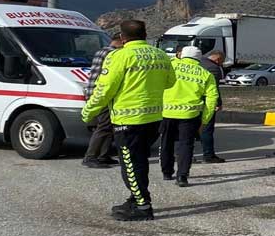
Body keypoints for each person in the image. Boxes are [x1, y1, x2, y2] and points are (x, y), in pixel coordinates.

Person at [81, 20, 175, 221]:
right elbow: (170, 82)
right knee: (139, 161)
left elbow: (105, 89)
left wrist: (88, 112)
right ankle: (137, 198)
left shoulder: (119, 56)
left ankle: (142, 206)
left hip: (128, 120)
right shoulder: (160, 55)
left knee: (130, 165)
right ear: (144, 34)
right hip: (154, 119)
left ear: (122, 38)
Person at [159, 46, 219, 187]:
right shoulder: (205, 74)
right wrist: (205, 120)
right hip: (190, 115)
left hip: (166, 113)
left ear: (181, 55)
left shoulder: (170, 66)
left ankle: (167, 172)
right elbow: (212, 99)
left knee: (166, 142)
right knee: (186, 145)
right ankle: (182, 176)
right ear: (199, 58)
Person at [81, 33, 125, 168]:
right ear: (121, 41)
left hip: (93, 92)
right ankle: (90, 157)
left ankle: (103, 156)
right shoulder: (113, 54)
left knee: (108, 126)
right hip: (102, 94)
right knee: (104, 126)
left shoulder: (102, 51)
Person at [198, 50, 226, 163]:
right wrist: (218, 103)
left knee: (190, 130)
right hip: (206, 103)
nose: (221, 64)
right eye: (221, 62)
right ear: (218, 59)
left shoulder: (198, 63)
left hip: (191, 101)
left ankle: (188, 155)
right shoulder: (213, 68)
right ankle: (209, 155)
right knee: (207, 129)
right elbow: (214, 89)